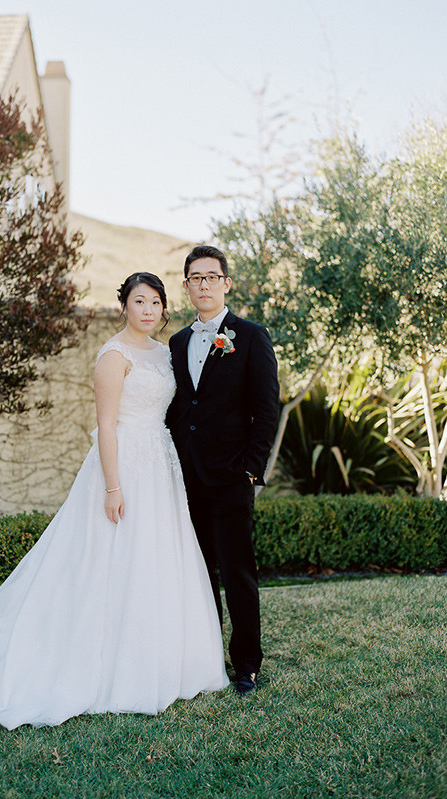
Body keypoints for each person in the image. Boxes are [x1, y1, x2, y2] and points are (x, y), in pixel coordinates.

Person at [0, 272, 228, 729]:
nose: (148, 310)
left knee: (156, 560)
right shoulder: (112, 355)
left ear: (164, 309)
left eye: (156, 302)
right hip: (122, 464)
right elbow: (106, 425)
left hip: (160, 465)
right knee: (104, 562)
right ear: (124, 306)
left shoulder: (166, 355)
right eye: (139, 301)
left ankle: (164, 659)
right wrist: (112, 487)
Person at [166, 245, 279, 696]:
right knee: (197, 571)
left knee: (238, 572)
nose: (204, 284)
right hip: (184, 476)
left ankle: (247, 664)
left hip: (232, 475)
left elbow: (266, 407)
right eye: (195, 277)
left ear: (226, 283)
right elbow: (179, 406)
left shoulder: (250, 336)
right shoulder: (177, 342)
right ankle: (207, 656)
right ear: (188, 285)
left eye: (212, 276)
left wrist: (252, 468)